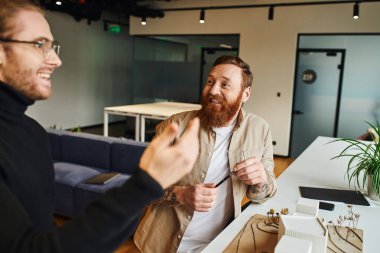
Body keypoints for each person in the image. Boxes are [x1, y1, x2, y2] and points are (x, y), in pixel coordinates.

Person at [0, 0, 200, 252]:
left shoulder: (32, 132)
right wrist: (147, 182)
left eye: (53, 47)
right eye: (39, 45)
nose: (56, 60)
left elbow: (41, 231)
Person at [133, 55, 277, 253]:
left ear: (245, 94)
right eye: (210, 81)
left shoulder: (260, 130)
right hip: (161, 244)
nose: (213, 90)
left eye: (225, 84)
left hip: (220, 244)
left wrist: (260, 181)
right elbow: (140, 190)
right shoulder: (174, 126)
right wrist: (181, 195)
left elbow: (266, 191)